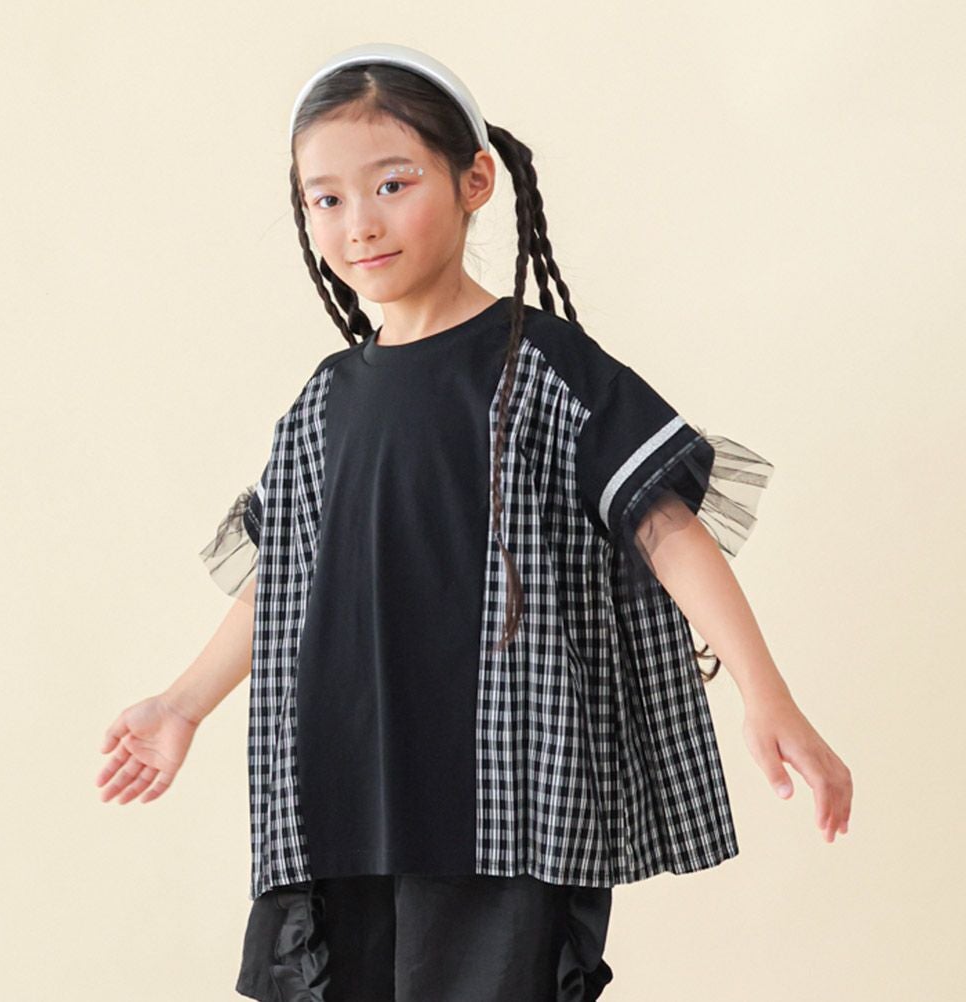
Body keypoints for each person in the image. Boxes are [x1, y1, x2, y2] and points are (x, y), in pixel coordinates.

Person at [96, 42, 853, 1002]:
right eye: (325, 198)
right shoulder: (326, 401)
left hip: (505, 799)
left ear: (475, 182)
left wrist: (765, 694)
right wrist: (180, 705)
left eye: (392, 184)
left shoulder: (542, 367)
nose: (359, 223)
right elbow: (283, 579)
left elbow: (666, 530)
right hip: (343, 792)